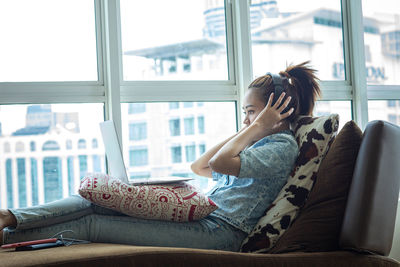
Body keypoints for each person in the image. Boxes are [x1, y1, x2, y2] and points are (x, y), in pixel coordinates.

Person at [0, 62, 320, 252]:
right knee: (98, 200)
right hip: (204, 219)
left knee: (92, 225)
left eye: (251, 112)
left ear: (276, 110)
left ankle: (6, 237)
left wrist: (259, 126)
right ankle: (10, 218)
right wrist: (251, 127)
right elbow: (200, 167)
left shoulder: (281, 146)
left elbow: (221, 164)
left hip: (220, 233)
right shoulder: (255, 141)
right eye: (245, 113)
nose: (246, 120)